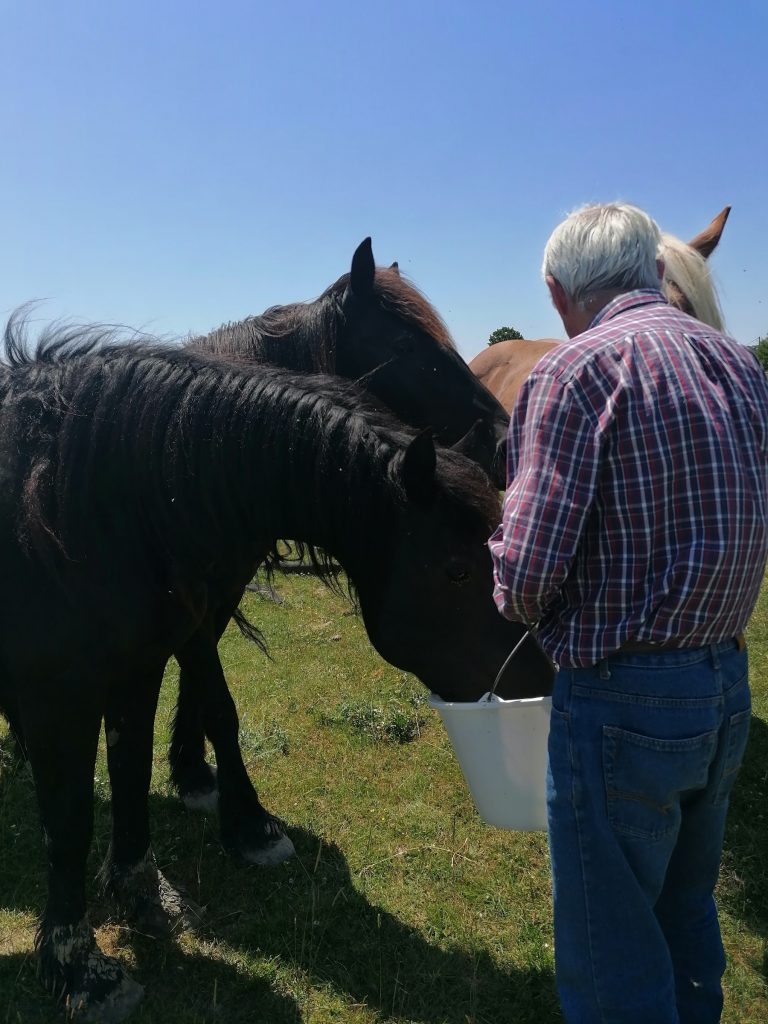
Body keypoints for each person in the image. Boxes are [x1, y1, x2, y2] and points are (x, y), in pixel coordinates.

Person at [488, 201, 768, 1024]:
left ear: (555, 291)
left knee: (611, 952)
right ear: (654, 266)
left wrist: (500, 558)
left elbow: (528, 578)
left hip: (621, 701)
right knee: (687, 913)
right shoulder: (739, 366)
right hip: (726, 684)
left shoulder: (572, 373)